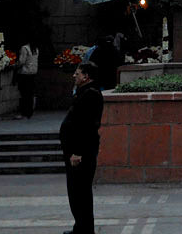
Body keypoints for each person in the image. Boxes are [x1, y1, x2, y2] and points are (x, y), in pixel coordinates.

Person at [60, 61, 104, 234]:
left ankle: (84, 229)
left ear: (86, 76)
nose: (74, 76)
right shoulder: (84, 92)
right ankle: (81, 227)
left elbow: (85, 126)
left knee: (80, 193)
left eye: (77, 73)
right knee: (76, 192)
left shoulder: (90, 94)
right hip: (77, 151)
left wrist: (77, 152)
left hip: (81, 153)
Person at [15, 36, 39, 119]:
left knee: (24, 94)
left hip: (24, 74)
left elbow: (22, 61)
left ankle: (24, 113)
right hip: (32, 73)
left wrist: (15, 65)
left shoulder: (24, 48)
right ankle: (29, 112)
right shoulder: (35, 49)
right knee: (30, 94)